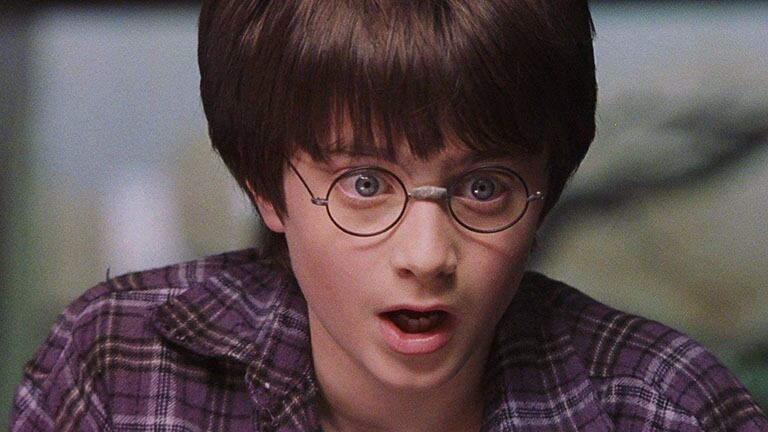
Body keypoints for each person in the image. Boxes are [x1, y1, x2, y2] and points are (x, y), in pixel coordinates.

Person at [10, 1, 767, 431]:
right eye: (365, 184)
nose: (427, 254)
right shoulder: (121, 364)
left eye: (483, 189)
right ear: (266, 190)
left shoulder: (665, 406)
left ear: (546, 192)